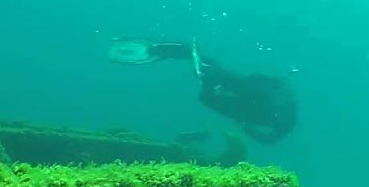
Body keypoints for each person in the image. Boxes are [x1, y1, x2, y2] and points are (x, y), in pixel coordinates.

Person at [108, 38, 297, 144]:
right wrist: (246, 128)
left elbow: (258, 81)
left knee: (220, 79)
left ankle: (201, 64)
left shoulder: (284, 100)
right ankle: (206, 73)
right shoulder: (283, 122)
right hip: (255, 104)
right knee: (208, 97)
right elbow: (268, 140)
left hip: (256, 95)